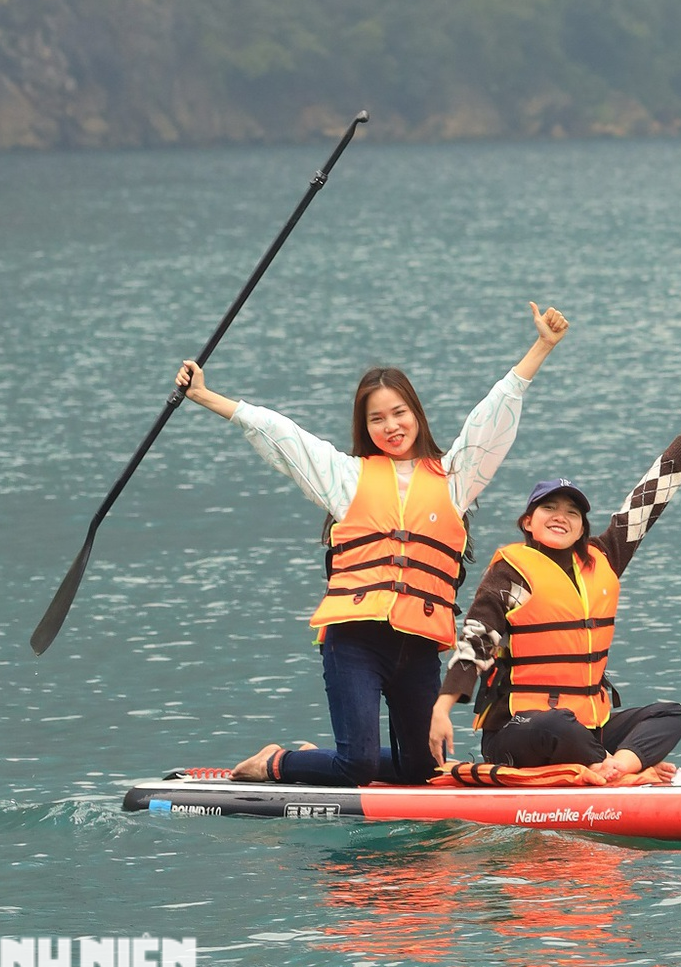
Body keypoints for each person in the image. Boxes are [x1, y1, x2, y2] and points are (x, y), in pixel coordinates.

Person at [175, 302, 570, 786]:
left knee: (426, 773)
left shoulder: (453, 478)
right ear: (366, 427)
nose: (391, 426)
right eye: (378, 418)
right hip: (356, 641)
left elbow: (495, 416)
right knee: (357, 768)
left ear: (417, 415)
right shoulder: (347, 477)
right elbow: (281, 435)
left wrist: (542, 346)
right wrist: (205, 395)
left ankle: (331, 754)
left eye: (399, 413)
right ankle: (275, 763)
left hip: (419, 644)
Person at [431, 404, 681, 784]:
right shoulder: (509, 573)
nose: (561, 516)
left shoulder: (603, 558)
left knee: (670, 714)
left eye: (572, 512)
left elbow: (641, 510)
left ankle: (619, 765)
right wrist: (443, 708)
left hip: (590, 727)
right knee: (556, 724)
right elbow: (475, 644)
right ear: (528, 522)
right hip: (521, 730)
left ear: (581, 529)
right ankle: (622, 768)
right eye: (549, 508)